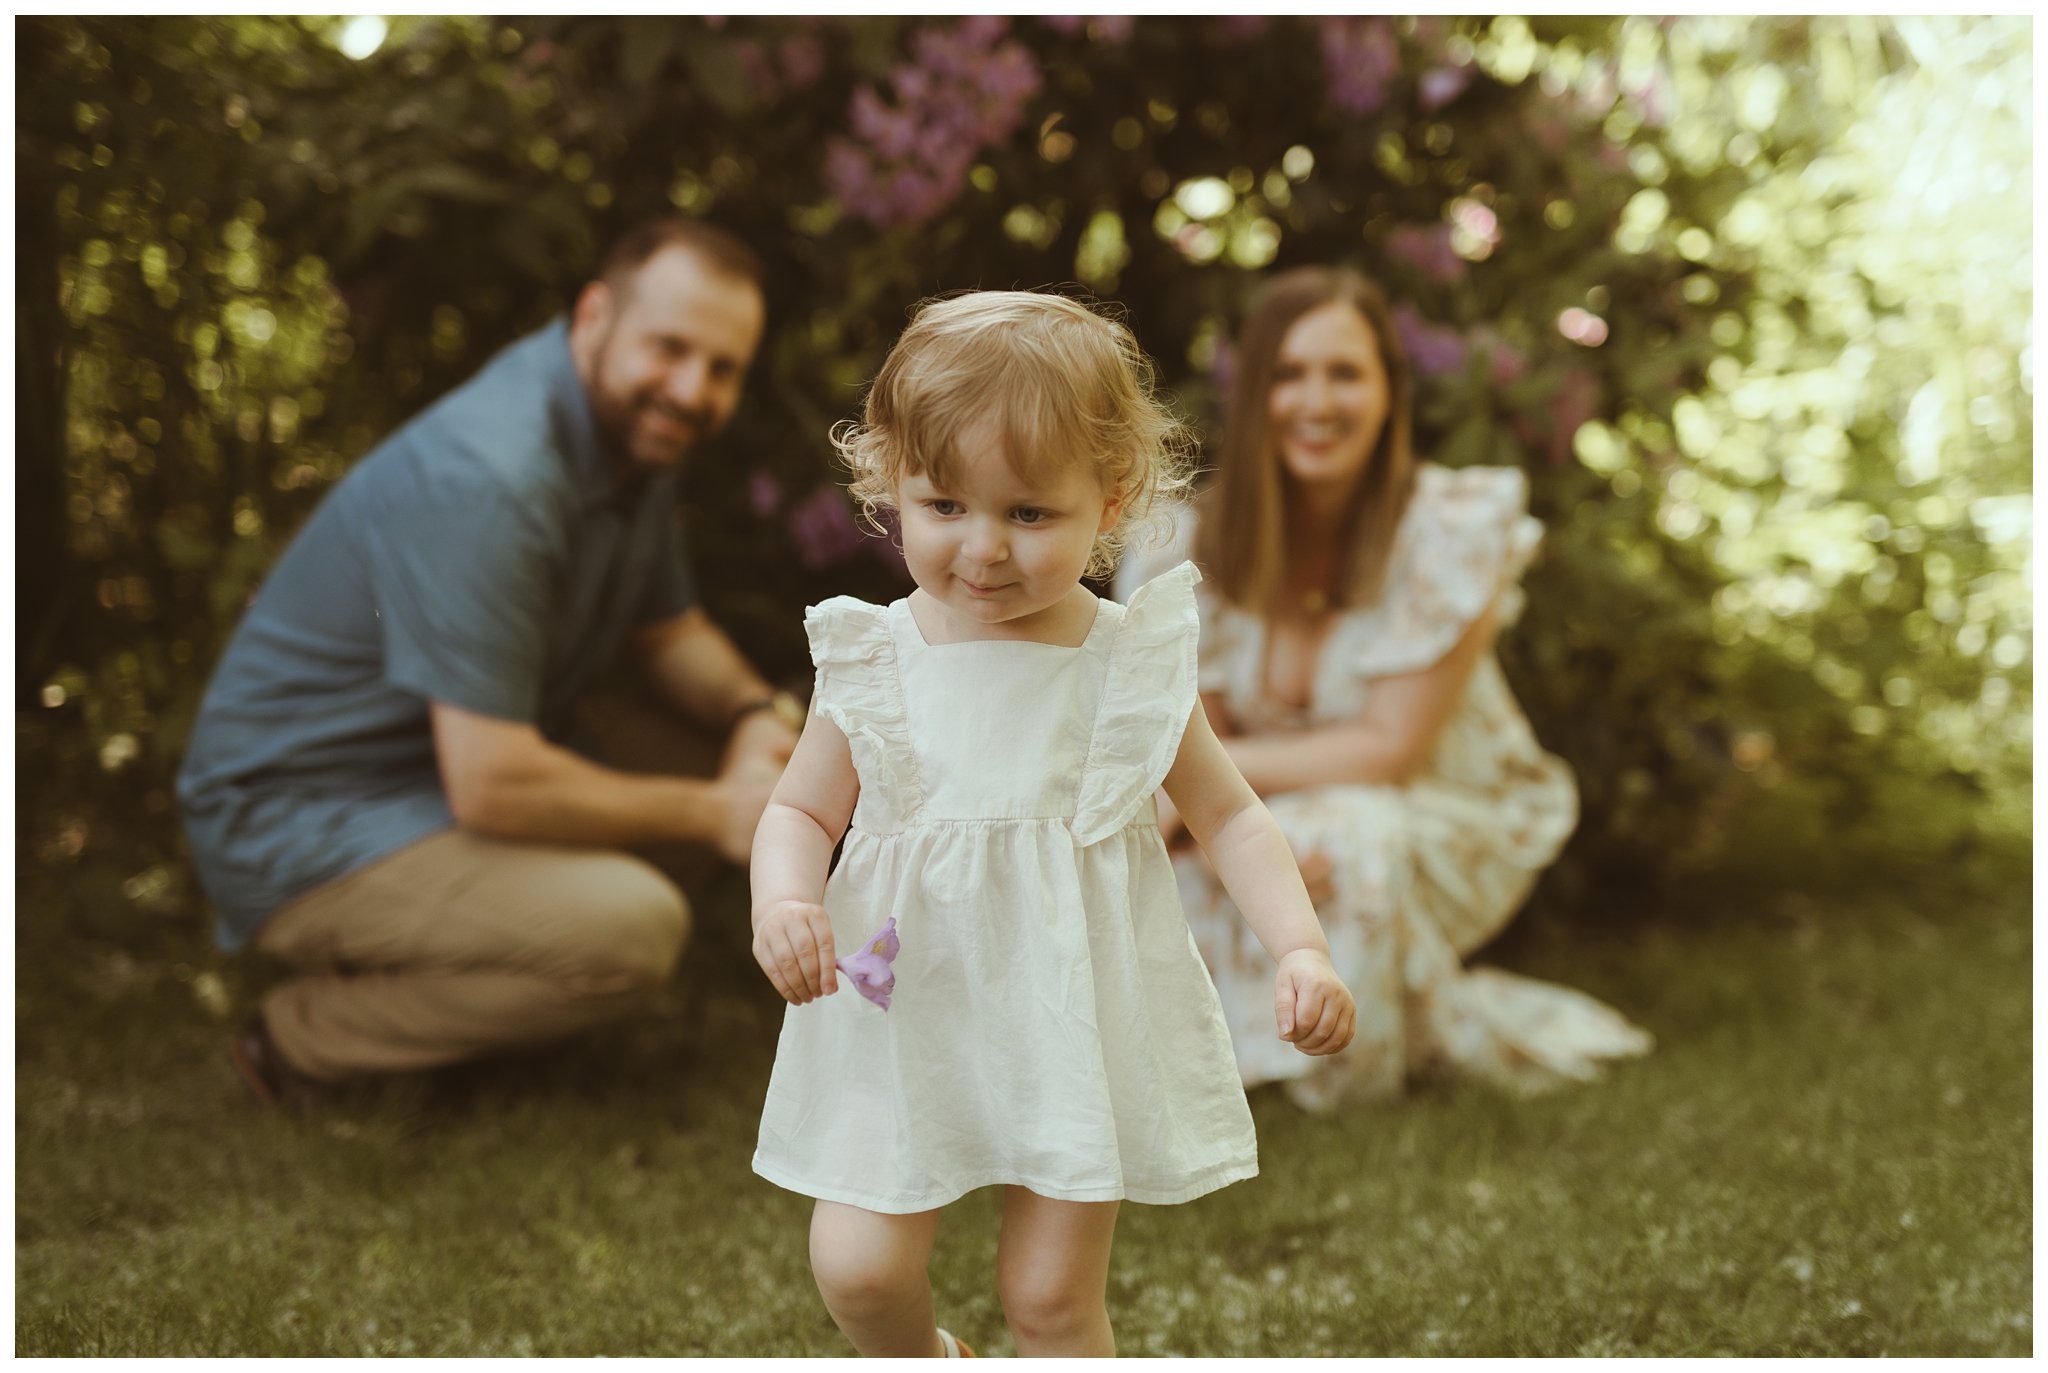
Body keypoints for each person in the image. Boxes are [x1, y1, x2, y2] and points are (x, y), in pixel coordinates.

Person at [746, 292, 1357, 1357]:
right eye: (942, 505)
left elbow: (1231, 818)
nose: (981, 548)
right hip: (903, 1005)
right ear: (893, 485)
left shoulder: (1124, 662)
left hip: (1065, 1010)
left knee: (1047, 1299)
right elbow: (800, 806)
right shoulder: (876, 658)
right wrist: (785, 895)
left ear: (1108, 501)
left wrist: (1299, 945)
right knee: (858, 1266)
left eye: (1027, 514)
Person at [177, 218, 804, 1103]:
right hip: (300, 814)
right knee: (634, 928)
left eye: (723, 368)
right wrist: (714, 812)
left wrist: (753, 720)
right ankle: (302, 1038)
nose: (691, 389)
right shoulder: (494, 478)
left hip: (438, 769)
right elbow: (495, 784)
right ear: (594, 316)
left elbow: (668, 631)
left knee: (744, 768)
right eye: (669, 348)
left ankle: (490, 993)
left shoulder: (628, 433)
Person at [1119, 265, 1653, 1111]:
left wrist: (1198, 793)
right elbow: (1199, 737)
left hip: (1441, 806)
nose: (1315, 401)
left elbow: (1388, 746)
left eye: (1345, 373)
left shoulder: (1448, 528)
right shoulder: (1192, 541)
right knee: (1163, 866)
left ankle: (1337, 1075)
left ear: (1389, 392)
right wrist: (1196, 814)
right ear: (1255, 392)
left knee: (1342, 845)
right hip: (1262, 802)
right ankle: (1227, 1066)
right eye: (1289, 374)